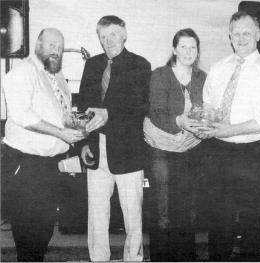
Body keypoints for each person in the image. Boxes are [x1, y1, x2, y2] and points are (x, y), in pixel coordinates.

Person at [196, 11, 260, 261]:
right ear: (229, 36)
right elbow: (207, 104)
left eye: (247, 32)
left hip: (253, 152)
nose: (241, 37)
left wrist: (230, 129)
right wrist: (206, 125)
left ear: (258, 34)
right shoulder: (218, 67)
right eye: (236, 33)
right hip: (218, 151)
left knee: (251, 221)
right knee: (218, 220)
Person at [2, 28, 84, 262]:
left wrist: (76, 124)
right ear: (38, 44)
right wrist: (61, 133)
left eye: (59, 48)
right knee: (28, 229)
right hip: (26, 165)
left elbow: (63, 114)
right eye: (51, 45)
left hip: (50, 166)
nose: (56, 51)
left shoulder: (57, 77)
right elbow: (22, 116)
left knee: (45, 226)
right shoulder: (22, 73)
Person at [77, 15, 151, 262]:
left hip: (129, 152)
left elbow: (140, 106)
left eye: (113, 34)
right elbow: (84, 107)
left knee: (133, 215)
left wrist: (109, 113)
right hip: (96, 150)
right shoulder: (92, 65)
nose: (108, 40)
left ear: (124, 34)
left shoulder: (141, 65)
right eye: (103, 36)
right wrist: (84, 142)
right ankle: (98, 258)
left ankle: (134, 259)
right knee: (96, 214)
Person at [143, 28, 207, 261]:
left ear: (198, 51)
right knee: (163, 207)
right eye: (183, 46)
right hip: (162, 148)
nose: (188, 51)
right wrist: (179, 121)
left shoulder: (203, 78)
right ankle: (161, 257)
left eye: (193, 47)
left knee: (188, 207)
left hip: (191, 148)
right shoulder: (161, 74)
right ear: (174, 49)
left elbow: (207, 112)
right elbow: (156, 113)